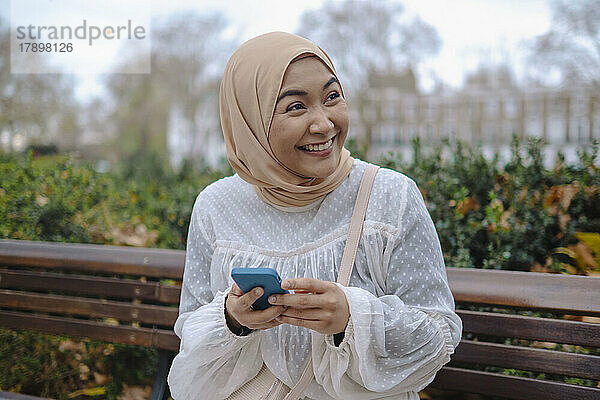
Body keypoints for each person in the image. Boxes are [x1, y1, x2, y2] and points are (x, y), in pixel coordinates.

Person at [167, 31, 462, 400]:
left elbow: (439, 335)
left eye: (332, 97)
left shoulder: (390, 196)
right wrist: (232, 319)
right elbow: (190, 332)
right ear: (250, 120)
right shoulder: (215, 205)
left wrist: (352, 317)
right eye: (296, 107)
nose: (324, 124)